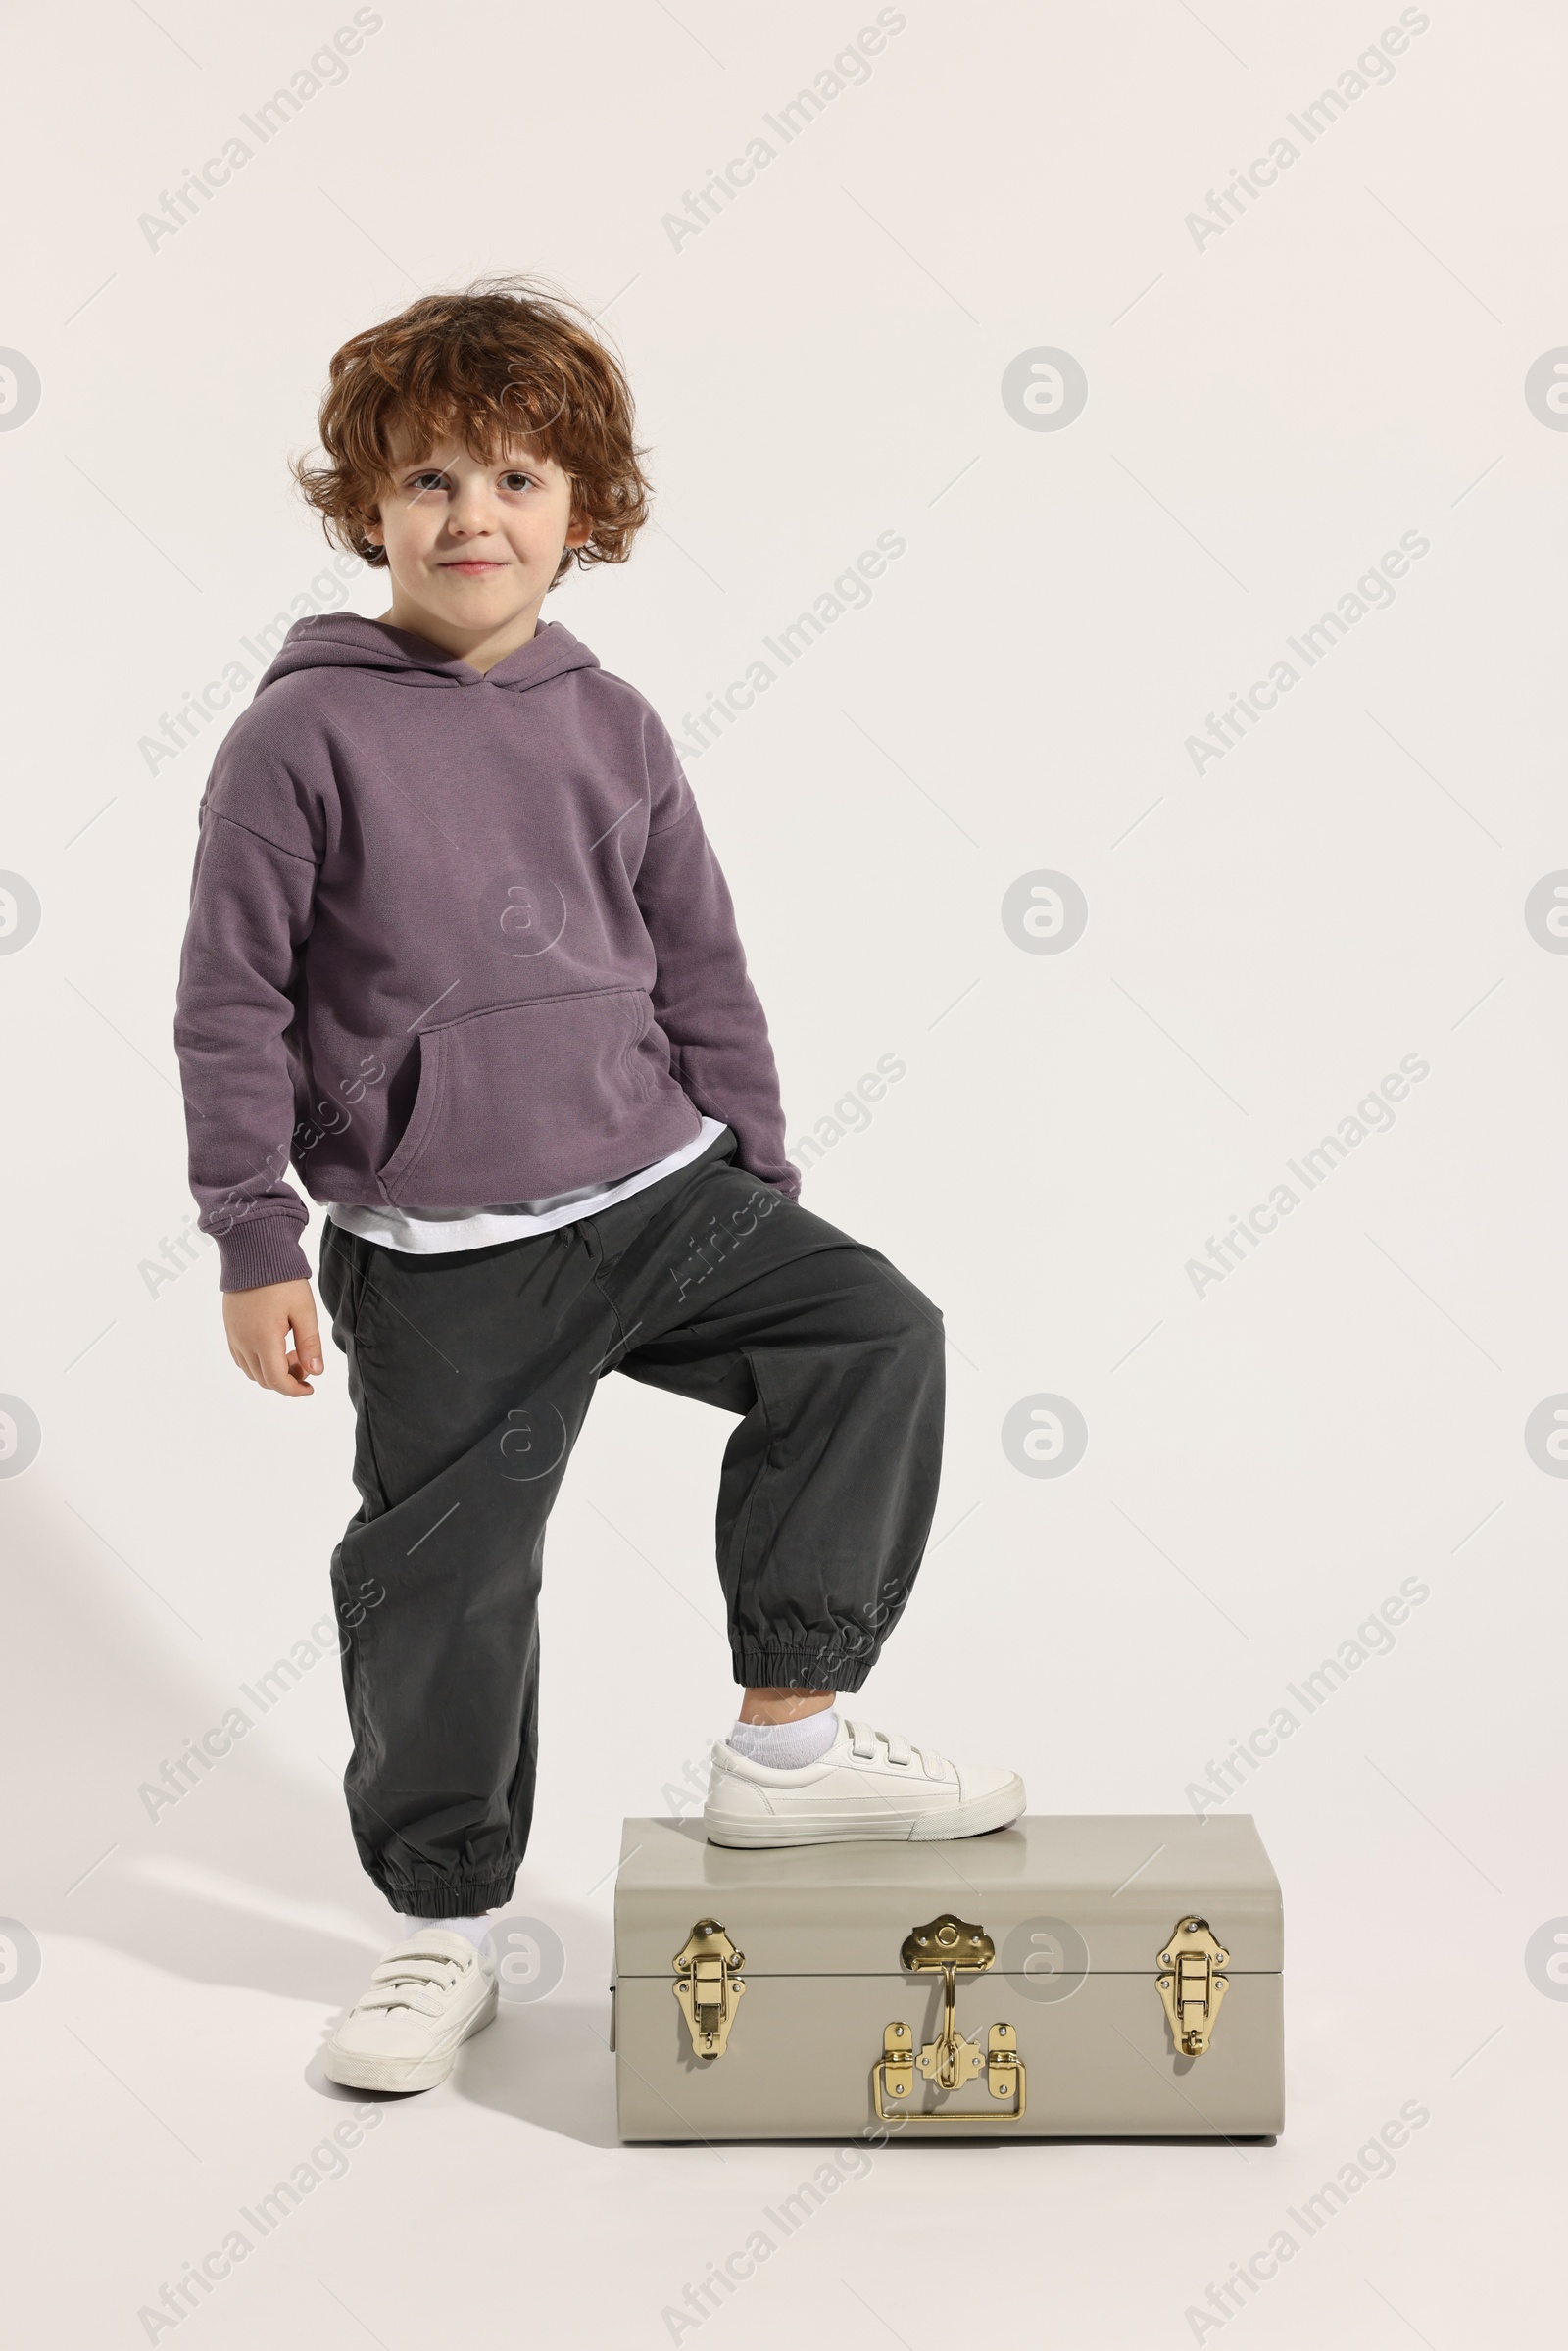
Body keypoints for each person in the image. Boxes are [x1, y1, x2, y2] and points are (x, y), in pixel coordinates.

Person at [172, 277, 1023, 2094]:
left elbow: (700, 957)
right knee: (445, 1589)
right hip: (447, 1251)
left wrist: (758, 1171)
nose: (473, 517)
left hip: (658, 1195)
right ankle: (440, 1938)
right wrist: (256, 1237)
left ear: (585, 511)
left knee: (874, 1336)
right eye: (429, 484)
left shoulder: (613, 719)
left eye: (516, 479)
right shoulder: (299, 739)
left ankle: (788, 1747)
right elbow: (229, 1002)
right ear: (367, 510)